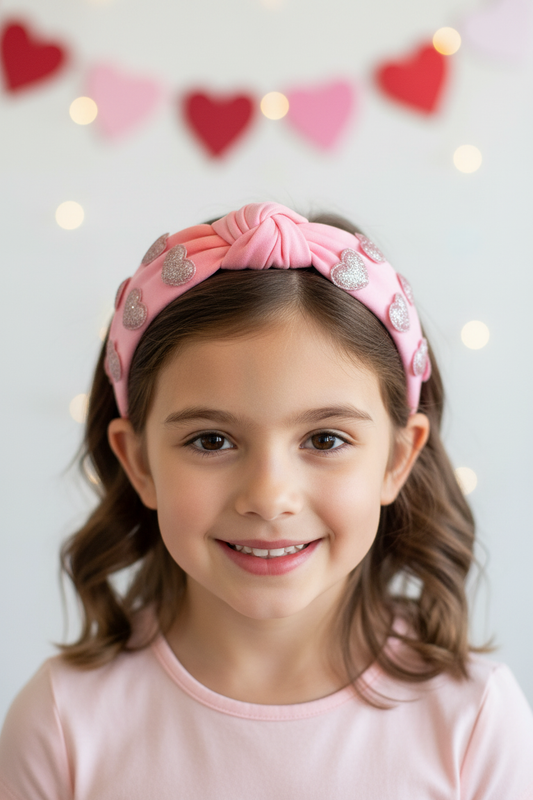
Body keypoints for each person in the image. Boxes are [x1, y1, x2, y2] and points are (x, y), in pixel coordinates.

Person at [1, 201, 532, 799]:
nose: (269, 497)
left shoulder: (474, 723)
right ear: (139, 464)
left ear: (396, 460)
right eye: (211, 440)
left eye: (325, 439)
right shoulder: (61, 723)